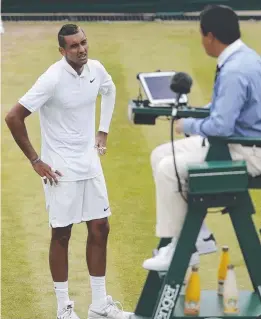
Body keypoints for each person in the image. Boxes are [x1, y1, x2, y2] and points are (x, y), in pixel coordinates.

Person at [5, 24, 131, 319]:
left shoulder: (96, 69)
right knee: (62, 234)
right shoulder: (51, 79)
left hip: (90, 163)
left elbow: (109, 91)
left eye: (84, 43)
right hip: (60, 170)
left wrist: (103, 130)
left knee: (101, 227)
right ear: (62, 51)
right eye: (74, 46)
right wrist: (36, 160)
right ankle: (64, 309)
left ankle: (99, 305)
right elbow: (13, 117)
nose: (82, 49)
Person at [142, 5, 261, 272]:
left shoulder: (234, 70)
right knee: (160, 154)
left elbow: (220, 126)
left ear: (210, 37)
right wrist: (201, 113)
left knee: (167, 168)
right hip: (242, 142)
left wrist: (188, 124)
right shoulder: (245, 58)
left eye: (201, 34)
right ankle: (200, 236)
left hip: (247, 152)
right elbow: (228, 111)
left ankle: (178, 247)